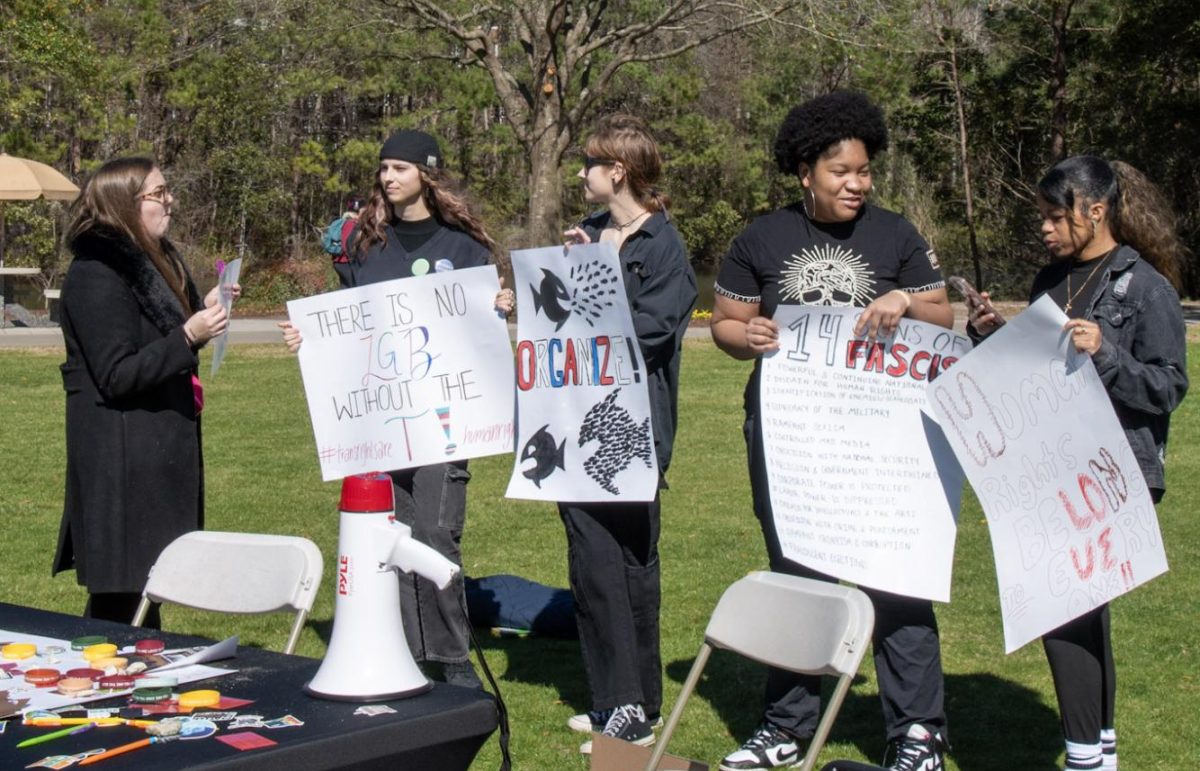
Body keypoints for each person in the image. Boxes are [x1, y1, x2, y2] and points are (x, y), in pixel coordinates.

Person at [710, 91, 953, 771]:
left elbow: (942, 317)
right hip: (792, 438)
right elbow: (724, 322)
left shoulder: (897, 236)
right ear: (805, 172)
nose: (856, 184)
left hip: (884, 440)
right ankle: (786, 726)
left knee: (897, 576)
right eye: (841, 171)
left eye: (864, 171)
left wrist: (907, 298)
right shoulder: (761, 238)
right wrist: (746, 333)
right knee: (799, 570)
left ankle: (917, 734)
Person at [968, 156, 1188, 771]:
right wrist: (993, 333)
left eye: (1055, 215)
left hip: (1117, 472)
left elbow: (1169, 388)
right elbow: (1030, 371)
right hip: (1053, 466)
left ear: (1095, 211)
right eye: (1041, 216)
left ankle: (1085, 753)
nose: (1044, 228)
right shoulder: (1050, 281)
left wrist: (1107, 353)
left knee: (1061, 603)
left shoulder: (1146, 287)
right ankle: (1099, 748)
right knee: (1081, 610)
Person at [281, 129, 513, 688]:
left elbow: (476, 330)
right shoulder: (366, 245)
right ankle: (408, 655)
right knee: (391, 538)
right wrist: (307, 338)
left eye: (401, 168)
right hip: (379, 424)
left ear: (427, 175)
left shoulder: (463, 247)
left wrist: (497, 306)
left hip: (443, 423)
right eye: (384, 168)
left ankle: (454, 663)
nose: (388, 178)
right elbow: (346, 323)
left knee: (436, 536)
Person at [560, 114, 698, 754]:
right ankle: (619, 701)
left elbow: (652, 332)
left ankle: (631, 705)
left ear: (617, 171)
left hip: (632, 430)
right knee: (593, 561)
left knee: (628, 562)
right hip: (575, 423)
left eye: (590, 162)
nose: (581, 172)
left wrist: (600, 272)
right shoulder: (587, 234)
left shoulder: (661, 247)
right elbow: (559, 322)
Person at [53, 157, 237, 626]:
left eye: (166, 190)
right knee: (122, 603)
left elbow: (159, 329)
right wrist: (189, 336)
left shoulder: (155, 259)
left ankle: (125, 684)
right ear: (124, 203)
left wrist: (204, 308)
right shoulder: (97, 272)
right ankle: (107, 688)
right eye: (157, 193)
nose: (168, 199)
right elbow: (116, 373)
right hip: (122, 463)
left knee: (142, 597)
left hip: (152, 453)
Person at [324, 194, 365, 286]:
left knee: (347, 288)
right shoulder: (351, 224)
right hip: (347, 262)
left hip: (339, 261)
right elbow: (347, 245)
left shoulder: (343, 221)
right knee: (352, 290)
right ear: (359, 209)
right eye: (364, 208)